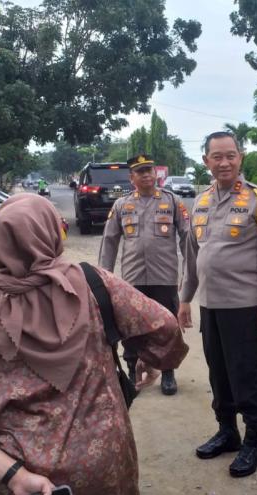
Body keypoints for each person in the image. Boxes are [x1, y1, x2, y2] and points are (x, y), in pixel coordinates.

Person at [0, 193, 188, 495]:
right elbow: (165, 328)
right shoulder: (94, 285)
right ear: (51, 233)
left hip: (16, 483)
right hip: (104, 468)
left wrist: (15, 475)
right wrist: (152, 358)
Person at [178, 131, 257, 478]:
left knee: (247, 375)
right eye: (216, 156)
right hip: (210, 306)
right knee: (218, 373)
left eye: (230, 155)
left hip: (245, 306)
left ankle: (255, 443)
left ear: (241, 157)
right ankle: (228, 432)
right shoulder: (201, 201)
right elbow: (194, 256)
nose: (224, 162)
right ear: (206, 161)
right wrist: (185, 300)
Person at [99, 153, 189, 395]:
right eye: (140, 171)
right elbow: (109, 242)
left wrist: (190, 274)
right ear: (132, 177)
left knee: (167, 326)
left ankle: (168, 372)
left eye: (149, 170)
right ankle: (131, 371)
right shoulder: (121, 205)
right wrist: (103, 278)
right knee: (131, 327)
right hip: (132, 279)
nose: (147, 174)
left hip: (164, 278)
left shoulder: (171, 201)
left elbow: (187, 239)